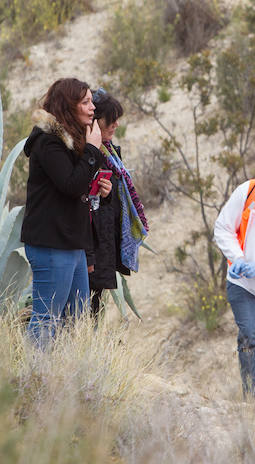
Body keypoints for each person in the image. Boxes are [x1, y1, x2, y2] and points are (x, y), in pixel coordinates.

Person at [21, 78, 108, 345]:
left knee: (77, 318)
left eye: (91, 100)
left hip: (72, 242)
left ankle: (67, 379)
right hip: (51, 242)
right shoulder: (48, 142)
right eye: (85, 102)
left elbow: (79, 187)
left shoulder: (74, 141)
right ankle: (36, 379)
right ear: (68, 106)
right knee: (47, 317)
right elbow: (70, 185)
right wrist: (93, 148)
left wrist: (101, 189)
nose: (92, 107)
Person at [87, 88, 150, 320]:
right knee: (84, 308)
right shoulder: (89, 152)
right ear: (95, 122)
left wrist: (108, 193)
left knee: (95, 308)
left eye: (116, 120)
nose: (115, 125)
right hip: (92, 245)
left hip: (105, 243)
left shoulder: (111, 152)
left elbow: (110, 201)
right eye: (110, 120)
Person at [214, 179, 255, 398]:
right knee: (251, 335)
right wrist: (236, 257)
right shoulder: (249, 191)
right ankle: (252, 397)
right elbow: (223, 227)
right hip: (243, 284)